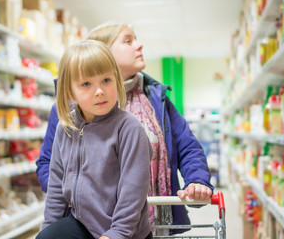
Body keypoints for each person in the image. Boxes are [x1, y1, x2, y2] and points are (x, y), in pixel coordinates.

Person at [36, 22, 213, 235]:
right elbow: (52, 166)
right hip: (83, 218)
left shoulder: (155, 99)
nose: (139, 45)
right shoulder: (68, 114)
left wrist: (196, 181)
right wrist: (80, 193)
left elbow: (188, 147)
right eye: (128, 41)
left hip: (141, 219)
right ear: (100, 51)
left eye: (106, 80)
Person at [37, 40, 153, 239]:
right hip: (82, 224)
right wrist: (49, 228)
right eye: (86, 84)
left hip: (126, 230)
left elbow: (133, 191)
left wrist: (117, 233)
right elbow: (56, 184)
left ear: (117, 80)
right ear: (70, 90)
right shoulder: (65, 128)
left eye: (106, 80)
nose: (99, 91)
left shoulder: (128, 128)